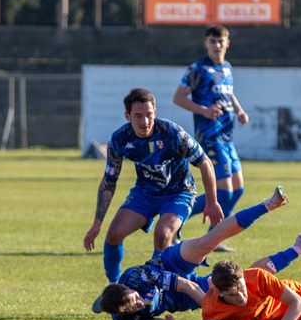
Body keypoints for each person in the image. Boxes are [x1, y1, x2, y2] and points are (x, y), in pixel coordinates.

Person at [98, 186, 301, 320]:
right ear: (120, 314)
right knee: (243, 280)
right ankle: (300, 247)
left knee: (207, 242)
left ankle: (267, 205)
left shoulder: (139, 277)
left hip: (168, 266)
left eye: (135, 297)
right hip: (180, 300)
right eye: (133, 306)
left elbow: (187, 284)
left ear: (128, 287)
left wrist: (217, 314)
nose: (140, 302)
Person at [83, 88, 224, 289]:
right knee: (113, 234)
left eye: (149, 115)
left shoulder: (172, 133)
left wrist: (212, 202)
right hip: (145, 193)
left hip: (179, 193)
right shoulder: (120, 139)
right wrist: (97, 223)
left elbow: (205, 163)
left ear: (155, 113)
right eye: (138, 116)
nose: (145, 121)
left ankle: (156, 290)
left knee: (162, 234)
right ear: (127, 116)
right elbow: (109, 181)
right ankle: (113, 288)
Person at [173, 24, 247, 252]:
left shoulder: (227, 68)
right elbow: (179, 97)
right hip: (210, 136)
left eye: (220, 41)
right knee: (224, 192)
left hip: (227, 136)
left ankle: (213, 239)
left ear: (227, 43)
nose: (217, 45)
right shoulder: (197, 69)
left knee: (238, 190)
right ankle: (174, 222)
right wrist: (203, 110)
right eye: (212, 41)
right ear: (206, 44)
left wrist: (239, 109)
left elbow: (229, 92)